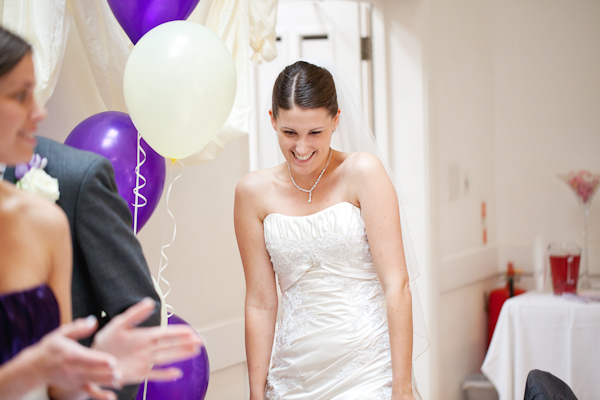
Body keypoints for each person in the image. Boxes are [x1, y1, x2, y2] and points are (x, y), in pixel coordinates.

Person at [0, 26, 201, 400]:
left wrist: (98, 367)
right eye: (20, 95)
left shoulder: (48, 218)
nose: (39, 111)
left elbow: (60, 381)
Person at [234, 60, 427, 400]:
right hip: (294, 373)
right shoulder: (252, 192)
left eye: (315, 133)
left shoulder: (363, 172)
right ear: (272, 120)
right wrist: (255, 392)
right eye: (289, 133)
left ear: (336, 120)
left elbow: (396, 284)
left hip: (370, 368)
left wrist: (401, 388)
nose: (302, 148)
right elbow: (261, 302)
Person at [3, 136, 162, 400]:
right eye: (19, 96)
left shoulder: (75, 178)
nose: (37, 111)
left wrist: (93, 388)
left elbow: (138, 314)